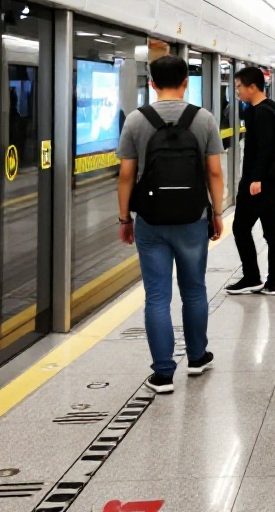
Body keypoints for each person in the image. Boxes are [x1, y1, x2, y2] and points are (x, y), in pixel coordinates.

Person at [116, 55, 226, 393]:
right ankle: (196, 357)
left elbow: (125, 176)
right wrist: (217, 213)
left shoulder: (136, 120)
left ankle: (163, 373)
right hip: (193, 217)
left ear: (151, 83)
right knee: (194, 289)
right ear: (185, 83)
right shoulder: (203, 119)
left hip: (151, 219)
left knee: (157, 296)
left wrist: (125, 218)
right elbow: (214, 172)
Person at [226, 66, 275, 296]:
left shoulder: (261, 113)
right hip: (269, 182)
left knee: (241, 228)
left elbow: (265, 149)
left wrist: (256, 178)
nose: (238, 91)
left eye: (239, 87)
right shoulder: (270, 108)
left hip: (259, 183)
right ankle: (272, 282)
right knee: (271, 232)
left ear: (252, 87)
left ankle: (254, 277)